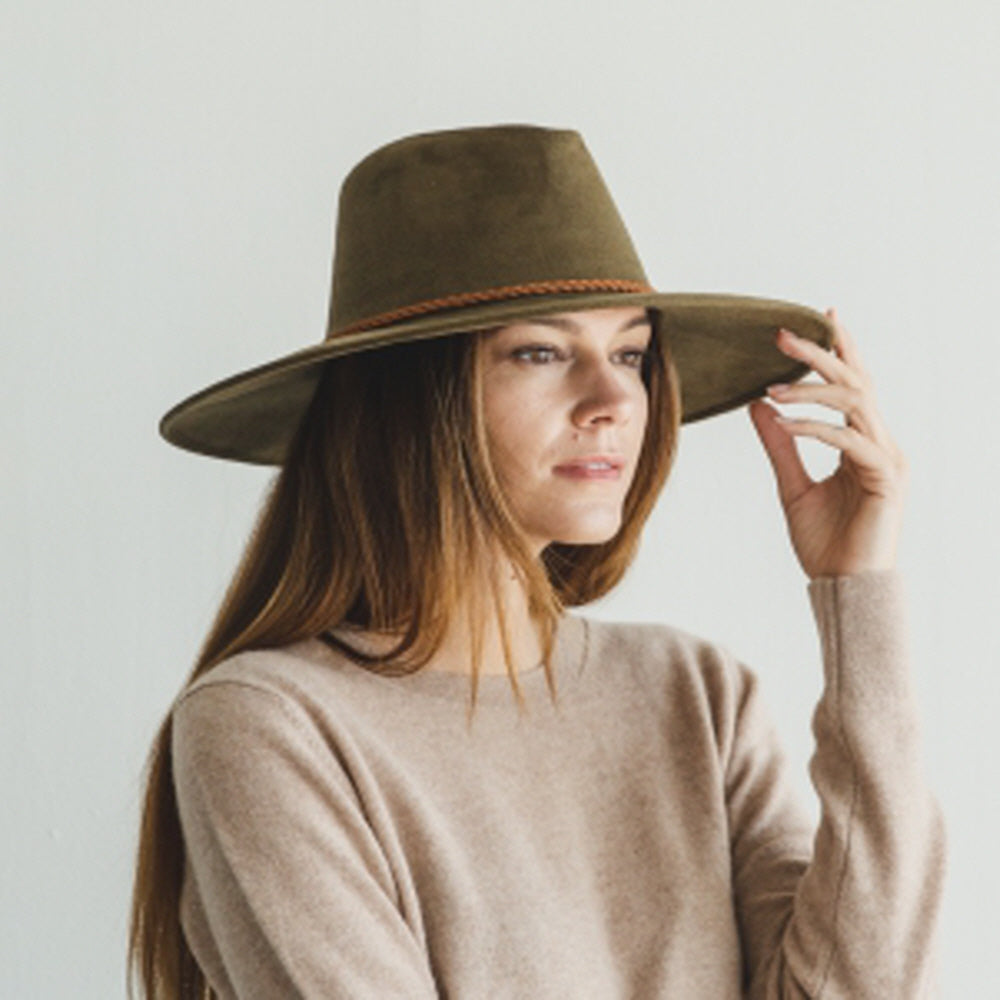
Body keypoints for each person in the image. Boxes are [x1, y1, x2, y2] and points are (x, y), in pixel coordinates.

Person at [128, 125, 946, 999]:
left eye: (630, 354)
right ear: (409, 400)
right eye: (541, 352)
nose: (612, 401)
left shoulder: (696, 695)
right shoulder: (271, 727)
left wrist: (856, 598)